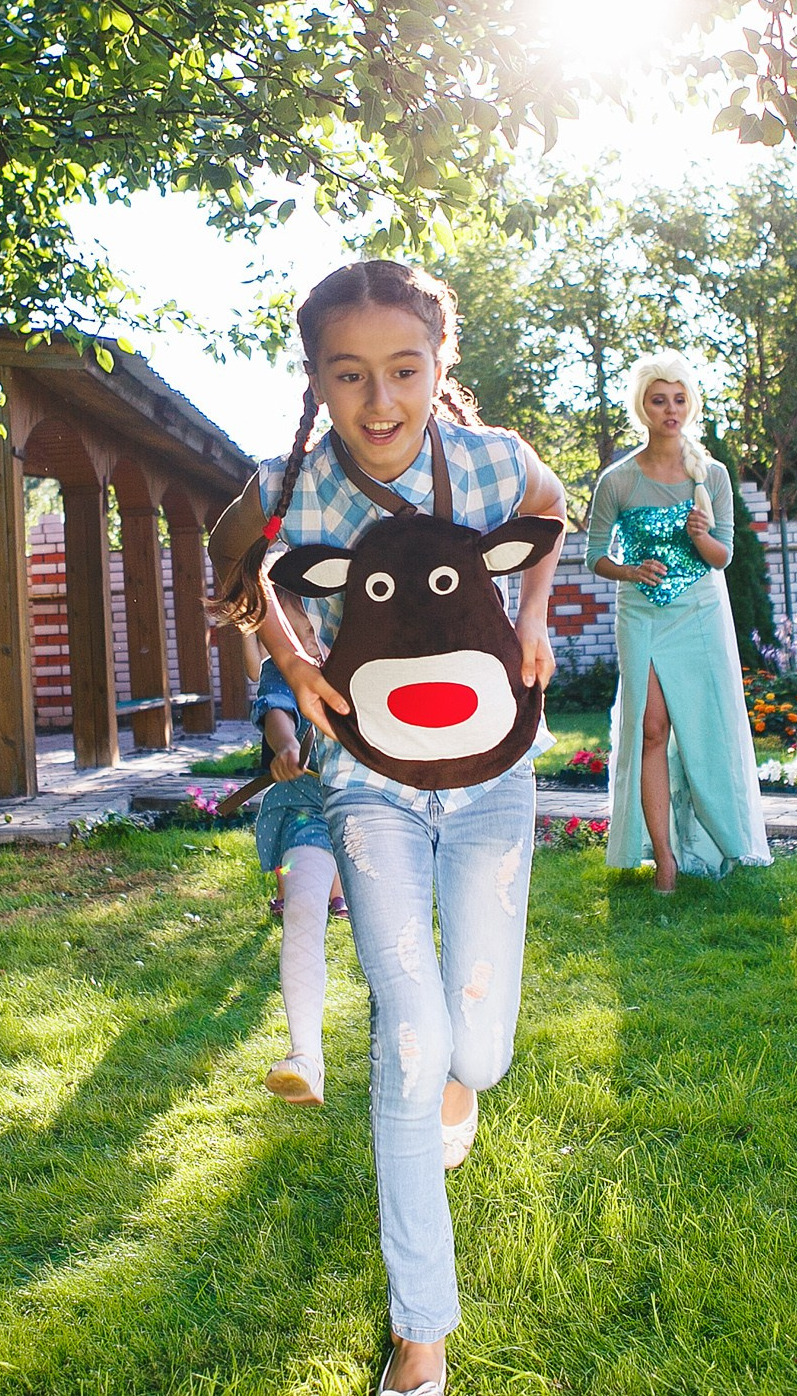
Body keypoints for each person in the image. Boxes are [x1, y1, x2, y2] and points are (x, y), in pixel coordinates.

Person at [209, 258, 567, 1396]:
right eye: (349, 374)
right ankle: (422, 1337)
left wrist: (535, 611)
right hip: (366, 787)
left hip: (492, 782)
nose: (379, 402)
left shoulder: (490, 460)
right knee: (409, 1036)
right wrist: (291, 656)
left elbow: (550, 506)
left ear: (438, 363)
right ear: (315, 377)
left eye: (404, 371)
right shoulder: (295, 487)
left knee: (479, 1049)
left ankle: (466, 1083)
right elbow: (241, 559)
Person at [587, 351, 770, 892]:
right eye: (658, 400)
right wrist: (628, 569)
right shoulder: (617, 480)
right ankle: (663, 857)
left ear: (691, 405)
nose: (669, 409)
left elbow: (723, 557)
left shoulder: (711, 475)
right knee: (651, 728)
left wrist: (700, 535)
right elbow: (594, 556)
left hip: (699, 611)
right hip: (641, 613)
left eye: (678, 400)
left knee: (705, 729)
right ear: (641, 408)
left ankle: (720, 841)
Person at [243, 640, 347, 1105]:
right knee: (302, 906)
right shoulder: (282, 661)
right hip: (308, 807)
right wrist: (286, 746)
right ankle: (305, 1055)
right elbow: (276, 710)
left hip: (380, 806)